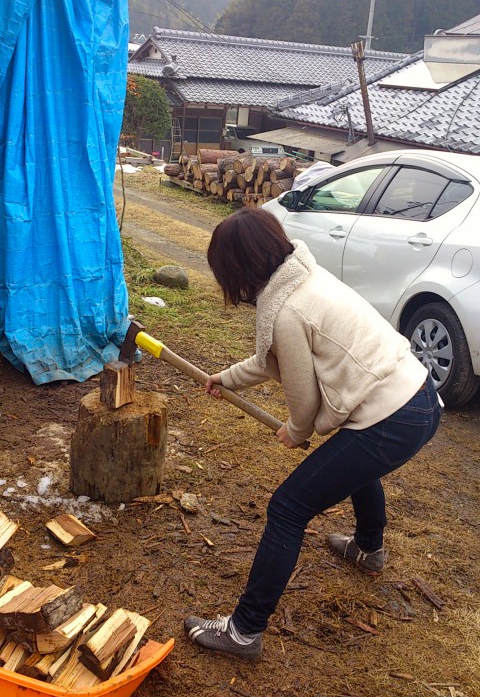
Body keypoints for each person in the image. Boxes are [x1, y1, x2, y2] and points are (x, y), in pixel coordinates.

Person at [184, 208, 442, 660]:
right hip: (420, 397)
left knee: (288, 507)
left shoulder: (287, 311)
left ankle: (244, 631)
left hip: (392, 417)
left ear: (238, 267)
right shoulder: (306, 277)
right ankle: (368, 549)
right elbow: (273, 361)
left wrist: (296, 431)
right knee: (355, 465)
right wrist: (226, 378)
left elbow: (302, 403)